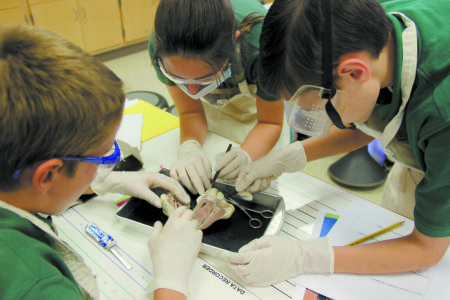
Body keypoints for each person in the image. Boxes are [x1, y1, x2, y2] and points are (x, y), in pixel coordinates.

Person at [224, 0, 450, 286]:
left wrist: (307, 257)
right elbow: (373, 114)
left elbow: (426, 249)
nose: (330, 121)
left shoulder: (442, 113)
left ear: (354, 72)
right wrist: (290, 156)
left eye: (321, 110)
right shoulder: (360, 31)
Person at [0, 24, 201, 300]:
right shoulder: (39, 286)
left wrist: (102, 183)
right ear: (47, 176)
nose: (106, 168)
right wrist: (170, 282)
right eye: (104, 157)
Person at [148, 0, 290, 196]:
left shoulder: (262, 43)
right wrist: (190, 147)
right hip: (214, 116)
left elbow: (270, 122)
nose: (192, 89)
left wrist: (246, 155)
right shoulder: (161, 45)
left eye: (205, 78)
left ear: (234, 41)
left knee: (260, 191)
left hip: (263, 117)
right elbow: (190, 111)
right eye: (178, 78)